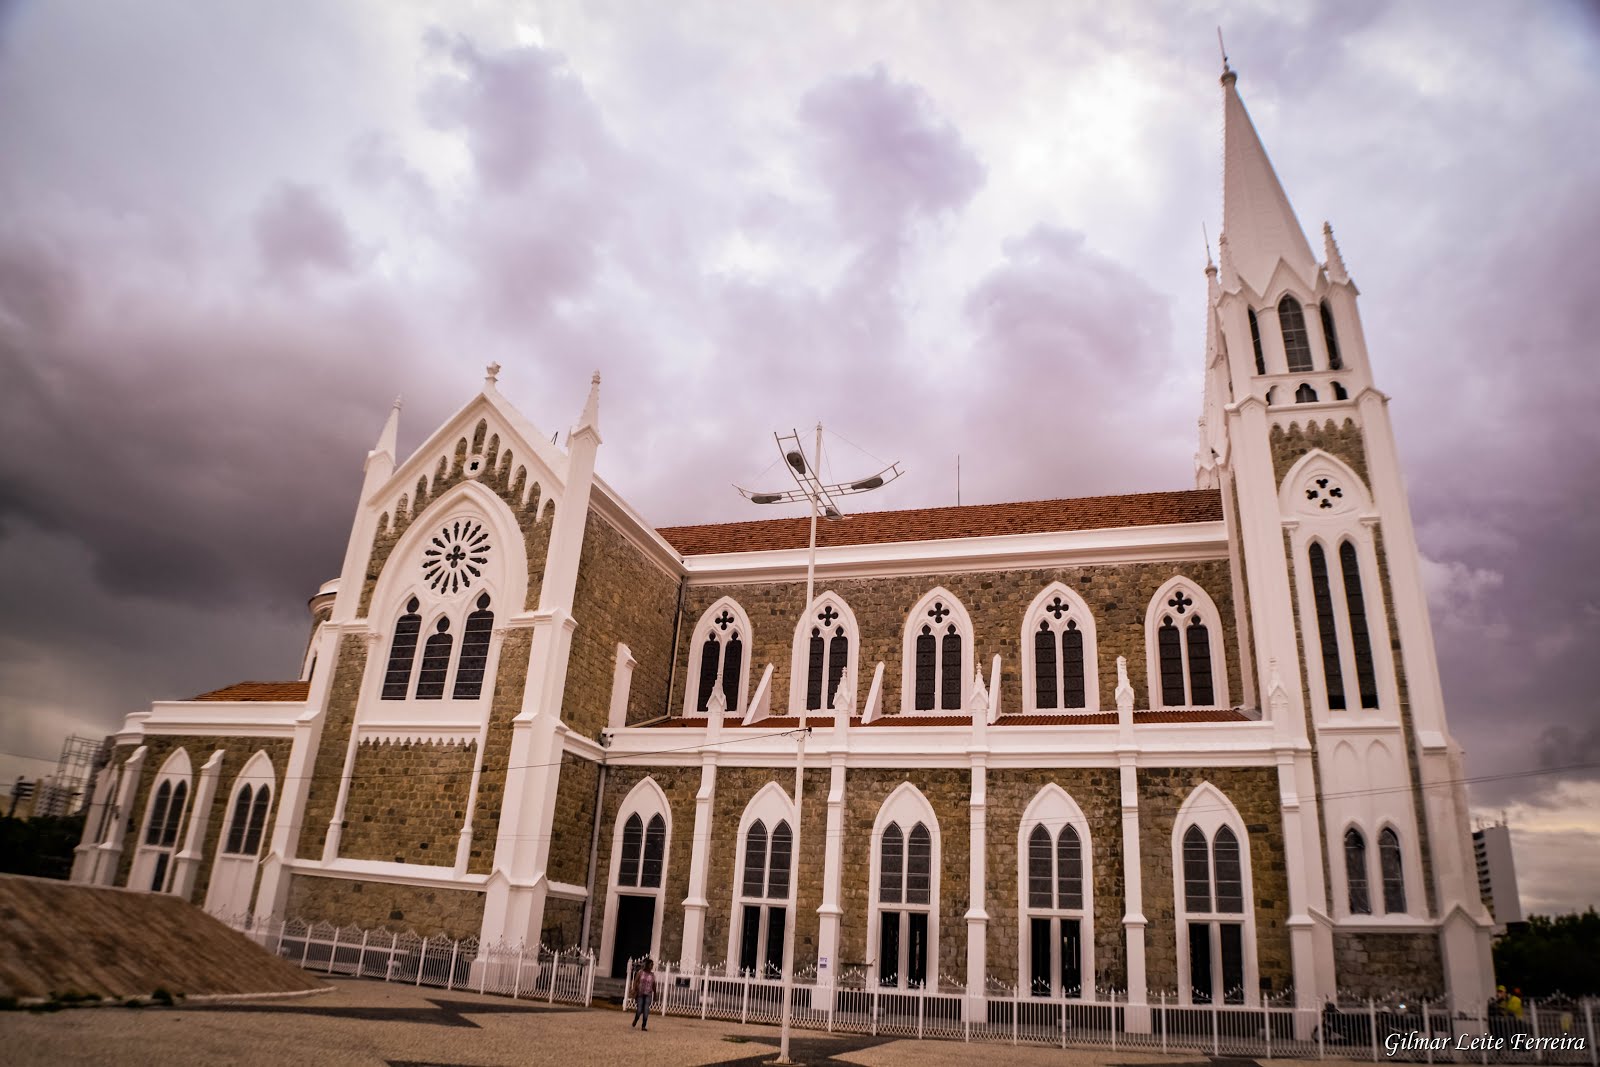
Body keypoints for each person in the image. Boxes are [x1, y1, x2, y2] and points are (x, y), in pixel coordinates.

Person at [631, 958, 655, 1031]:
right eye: (651, 965)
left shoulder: (652, 975)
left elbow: (654, 984)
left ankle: (643, 1025)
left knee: (646, 1010)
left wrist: (655, 993)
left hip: (648, 994)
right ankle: (636, 1019)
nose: (652, 966)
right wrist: (634, 989)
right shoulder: (640, 972)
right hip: (640, 993)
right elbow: (635, 981)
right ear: (647, 965)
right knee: (639, 1009)